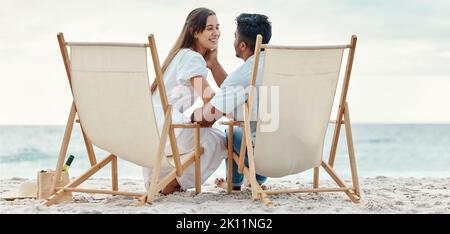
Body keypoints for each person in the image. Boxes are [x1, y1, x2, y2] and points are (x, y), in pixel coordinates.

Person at [143, 8, 227, 195]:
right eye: (209, 28)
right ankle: (174, 183)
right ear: (195, 32)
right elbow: (209, 98)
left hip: (150, 129)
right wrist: (232, 105)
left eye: (217, 27)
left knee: (204, 132)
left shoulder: (178, 55)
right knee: (220, 140)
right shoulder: (192, 58)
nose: (216, 33)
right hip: (167, 129)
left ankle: (163, 180)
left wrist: (212, 64)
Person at [191, 13, 272, 190]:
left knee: (232, 132)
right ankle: (252, 179)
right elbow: (235, 91)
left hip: (265, 159)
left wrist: (193, 115)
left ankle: (234, 183)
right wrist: (213, 65)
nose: (233, 40)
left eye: (235, 36)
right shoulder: (282, 67)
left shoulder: (245, 74)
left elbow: (209, 117)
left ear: (242, 45)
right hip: (297, 153)